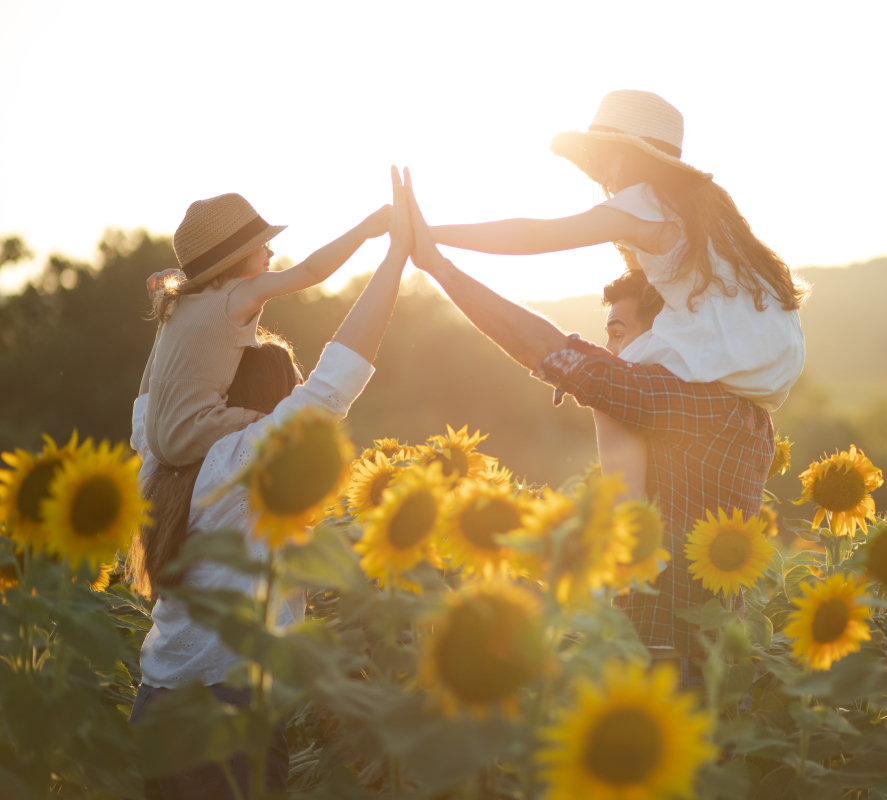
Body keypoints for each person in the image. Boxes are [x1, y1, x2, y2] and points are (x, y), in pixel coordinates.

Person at [401, 169, 773, 683]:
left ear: (666, 330)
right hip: (716, 655)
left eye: (619, 333)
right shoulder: (746, 409)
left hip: (663, 650)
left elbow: (545, 347)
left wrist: (438, 265)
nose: (614, 351)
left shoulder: (679, 404)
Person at [126, 167, 413, 799]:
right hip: (227, 718)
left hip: (157, 703)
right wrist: (394, 255)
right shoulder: (243, 465)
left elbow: (155, 395)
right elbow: (337, 377)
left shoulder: (158, 462)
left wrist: (171, 314)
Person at [425, 90, 808, 501]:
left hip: (720, 350)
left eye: (606, 153)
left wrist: (430, 233)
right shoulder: (704, 206)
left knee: (607, 382)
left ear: (636, 156)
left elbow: (532, 234)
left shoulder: (648, 200)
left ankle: (624, 511)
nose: (601, 170)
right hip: (769, 360)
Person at [142, 190, 392, 468]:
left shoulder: (180, 303)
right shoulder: (241, 292)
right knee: (294, 427)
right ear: (237, 255)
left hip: (154, 437)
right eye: (262, 244)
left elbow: (155, 379)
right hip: (198, 428)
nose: (270, 251)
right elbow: (311, 271)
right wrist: (363, 231)